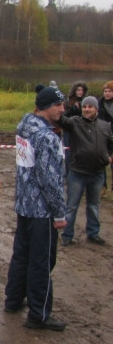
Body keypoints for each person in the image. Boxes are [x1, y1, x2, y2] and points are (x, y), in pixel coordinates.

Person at [4, 86, 68, 331]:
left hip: (24, 205)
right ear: (45, 107)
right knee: (41, 261)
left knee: (21, 255)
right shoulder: (47, 137)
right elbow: (49, 179)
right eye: (58, 105)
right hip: (42, 211)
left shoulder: (25, 125)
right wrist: (59, 213)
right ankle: (39, 314)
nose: (62, 109)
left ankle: (13, 299)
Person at [59, 96, 112, 246]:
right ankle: (67, 236)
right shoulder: (75, 122)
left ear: (96, 109)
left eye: (90, 107)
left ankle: (93, 233)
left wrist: (110, 156)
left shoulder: (105, 126)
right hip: (77, 172)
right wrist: (72, 109)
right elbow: (61, 119)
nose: (87, 109)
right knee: (71, 206)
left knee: (94, 205)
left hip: (98, 173)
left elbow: (110, 145)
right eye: (84, 107)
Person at [63, 81, 88, 173]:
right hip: (68, 129)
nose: (80, 92)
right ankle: (68, 172)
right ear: (74, 91)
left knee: (81, 151)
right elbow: (63, 116)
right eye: (78, 90)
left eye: (82, 90)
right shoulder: (68, 102)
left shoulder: (86, 102)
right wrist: (73, 108)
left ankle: (79, 171)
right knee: (68, 152)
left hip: (81, 129)